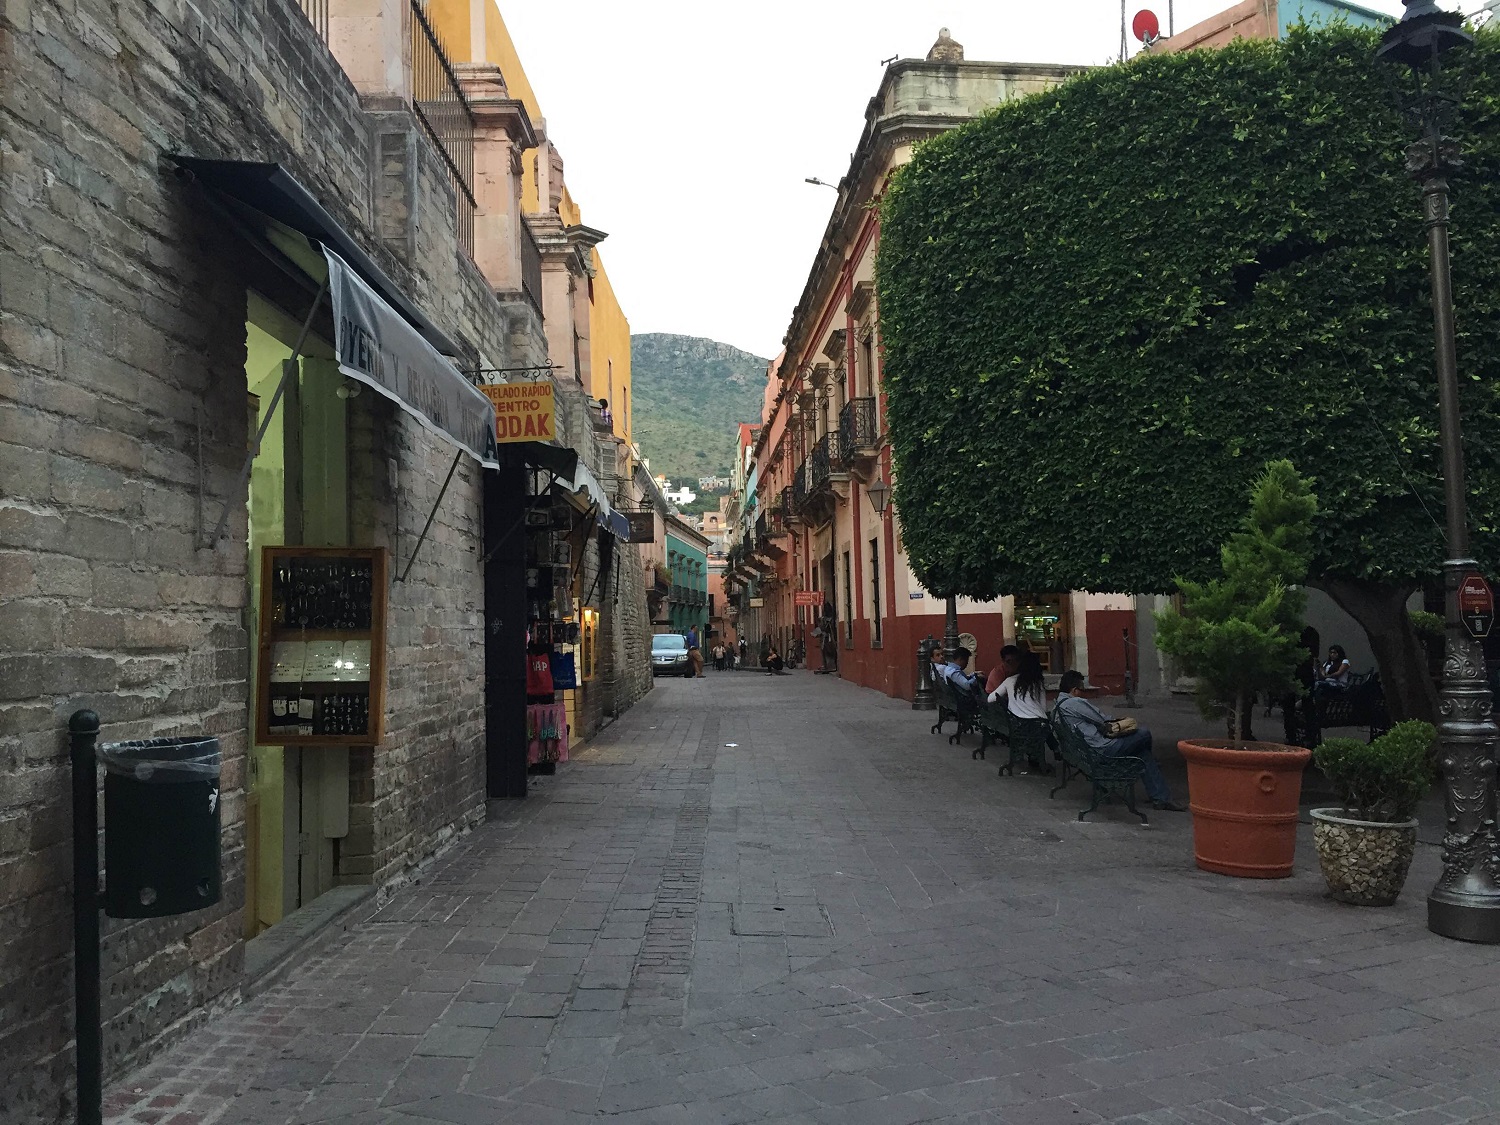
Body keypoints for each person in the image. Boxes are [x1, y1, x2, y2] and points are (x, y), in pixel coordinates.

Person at [1054, 670, 1185, 811]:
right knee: (1144, 734)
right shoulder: (1074, 703)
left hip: (1085, 753)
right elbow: (1103, 719)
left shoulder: (1057, 706)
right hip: (1102, 750)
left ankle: (1160, 797)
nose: (1084, 693)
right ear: (1074, 690)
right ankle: (1160, 792)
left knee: (1143, 755)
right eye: (1082, 690)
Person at [988, 650, 1052, 772]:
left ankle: (1047, 752)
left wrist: (1010, 699)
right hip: (1039, 725)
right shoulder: (1038, 683)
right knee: (1046, 723)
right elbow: (1044, 708)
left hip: (1017, 725)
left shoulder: (1010, 681)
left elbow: (990, 698)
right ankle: (1053, 751)